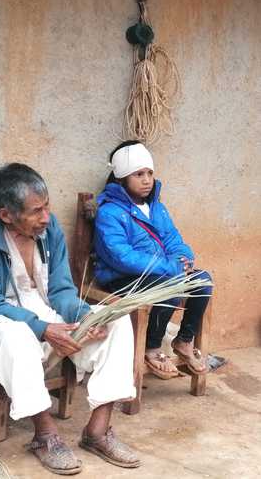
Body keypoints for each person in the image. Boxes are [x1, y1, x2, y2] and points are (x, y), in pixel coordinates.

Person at [0, 163, 140, 475]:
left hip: (47, 315)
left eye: (47, 206)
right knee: (17, 337)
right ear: (6, 215)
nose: (46, 217)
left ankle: (97, 430)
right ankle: (45, 436)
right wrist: (42, 329)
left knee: (117, 322)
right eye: (36, 211)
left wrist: (84, 315)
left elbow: (61, 289)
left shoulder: (48, 229)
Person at [94, 141, 212, 380]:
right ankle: (152, 347)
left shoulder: (156, 207)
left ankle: (184, 340)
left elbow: (173, 239)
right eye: (139, 174)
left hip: (160, 273)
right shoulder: (109, 212)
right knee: (170, 286)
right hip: (122, 279)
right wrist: (171, 267)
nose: (147, 180)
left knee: (202, 280)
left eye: (149, 173)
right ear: (122, 178)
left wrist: (184, 258)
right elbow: (121, 256)